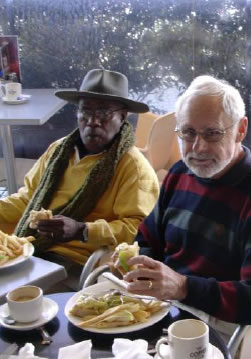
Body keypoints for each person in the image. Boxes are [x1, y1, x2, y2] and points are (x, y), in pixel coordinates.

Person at [119, 75, 251, 327]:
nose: (198, 148)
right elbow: (146, 239)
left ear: (241, 130)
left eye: (212, 133)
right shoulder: (179, 173)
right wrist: (139, 268)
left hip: (214, 322)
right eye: (188, 133)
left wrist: (182, 287)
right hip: (160, 308)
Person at [0, 69, 160, 274]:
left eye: (103, 112)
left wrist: (82, 230)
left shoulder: (133, 168)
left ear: (122, 117)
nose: (92, 121)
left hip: (76, 263)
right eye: (85, 111)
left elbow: (136, 231)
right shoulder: (58, 151)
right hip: (29, 248)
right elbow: (28, 200)